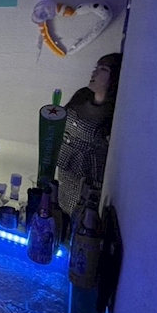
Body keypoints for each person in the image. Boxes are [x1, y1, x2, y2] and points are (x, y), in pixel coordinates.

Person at [56, 53, 123, 214]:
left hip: (87, 178)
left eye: (103, 69)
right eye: (96, 68)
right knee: (60, 207)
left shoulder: (114, 112)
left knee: (78, 214)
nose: (94, 73)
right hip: (66, 167)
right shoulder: (82, 95)